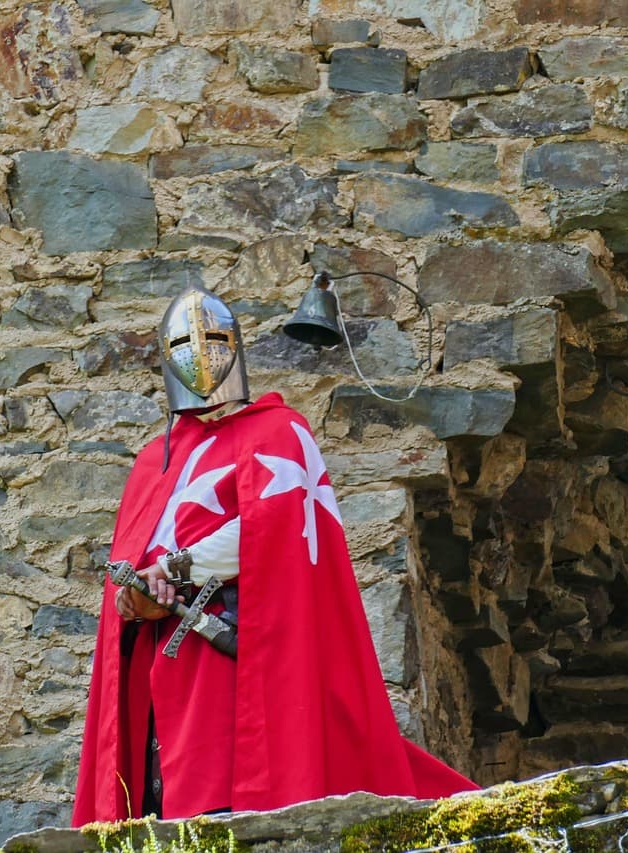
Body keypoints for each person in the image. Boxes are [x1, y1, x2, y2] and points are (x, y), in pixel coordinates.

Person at [72, 286, 477, 825]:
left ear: (235, 347)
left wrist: (173, 569)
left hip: (239, 660)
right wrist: (136, 601)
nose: (202, 353)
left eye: (214, 338)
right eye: (185, 342)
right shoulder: (154, 463)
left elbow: (275, 529)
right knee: (163, 812)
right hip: (161, 671)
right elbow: (127, 576)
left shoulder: (279, 432)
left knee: (228, 808)